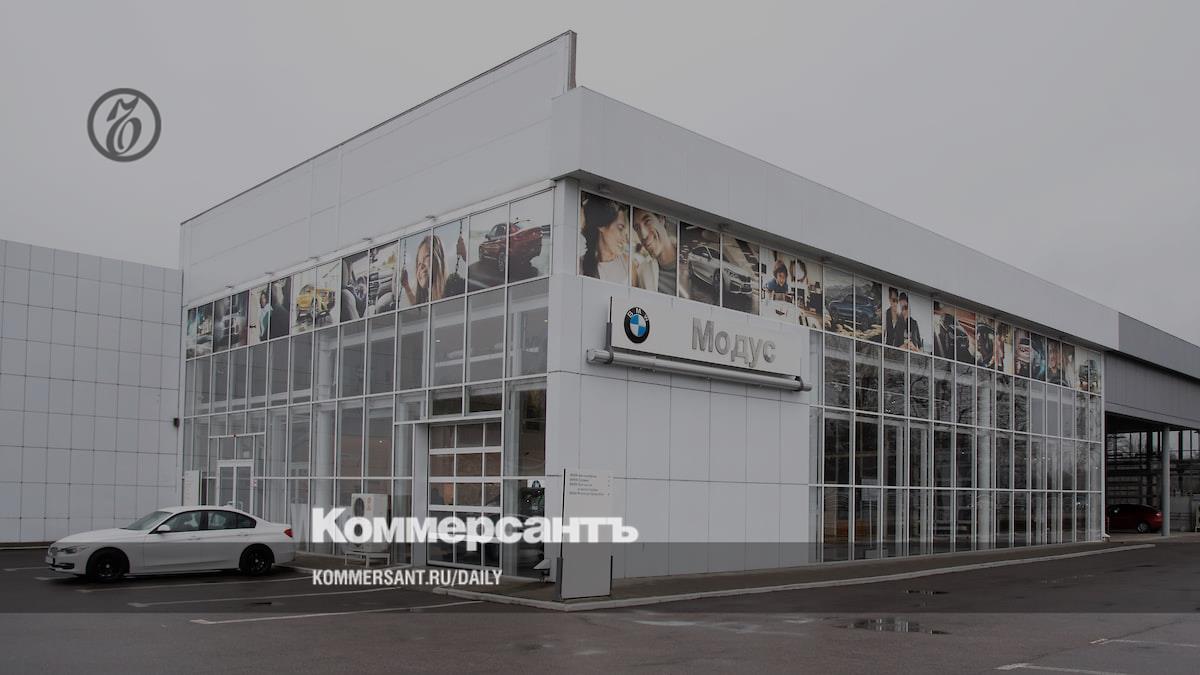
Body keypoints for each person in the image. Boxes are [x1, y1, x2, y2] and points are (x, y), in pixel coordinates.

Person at [579, 195, 629, 283]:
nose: (625, 239)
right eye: (620, 228)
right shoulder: (579, 265)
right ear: (602, 226)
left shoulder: (628, 264)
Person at [631, 208, 677, 294]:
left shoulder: (690, 260)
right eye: (637, 228)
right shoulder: (643, 273)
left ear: (661, 219)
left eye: (647, 221)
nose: (643, 235)